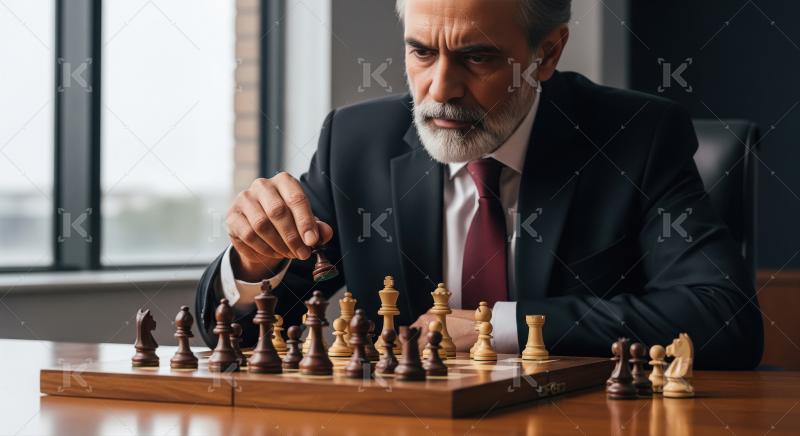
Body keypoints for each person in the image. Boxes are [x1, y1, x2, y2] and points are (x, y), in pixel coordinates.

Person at [196, 0, 763, 369]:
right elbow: (236, 334)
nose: (441, 89)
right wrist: (253, 265)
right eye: (421, 52)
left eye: (477, 58)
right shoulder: (356, 142)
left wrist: (502, 326)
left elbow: (723, 319)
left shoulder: (636, 137)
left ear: (547, 54)